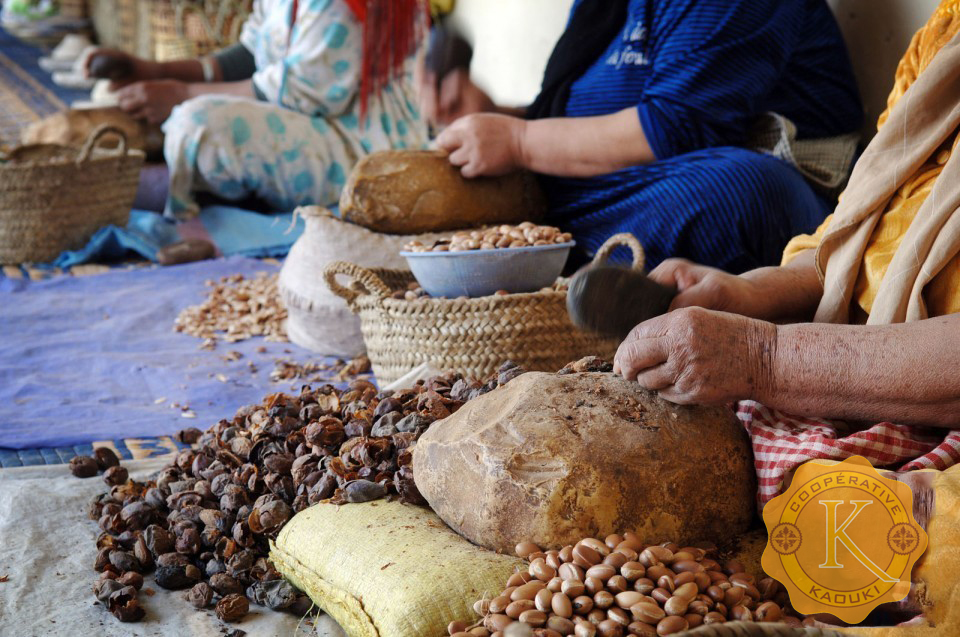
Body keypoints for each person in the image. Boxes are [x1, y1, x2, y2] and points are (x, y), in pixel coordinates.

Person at [610, 0, 960, 509]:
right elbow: (849, 241)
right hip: (860, 368)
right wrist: (748, 291)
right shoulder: (944, 36)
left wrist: (763, 357)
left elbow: (670, 124)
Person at [421, 0, 863, 273]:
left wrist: (518, 142)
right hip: (607, 192)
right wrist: (493, 115)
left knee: (746, 190)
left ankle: (562, 269)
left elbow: (675, 128)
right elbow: (581, 112)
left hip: (728, 187)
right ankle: (562, 266)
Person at [87, 0, 429, 219]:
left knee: (198, 123)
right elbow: (253, 52)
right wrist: (158, 71)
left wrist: (181, 94)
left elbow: (299, 90)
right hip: (312, 117)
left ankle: (231, 207)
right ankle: (237, 196)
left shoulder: (340, 5)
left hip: (366, 151)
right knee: (187, 117)